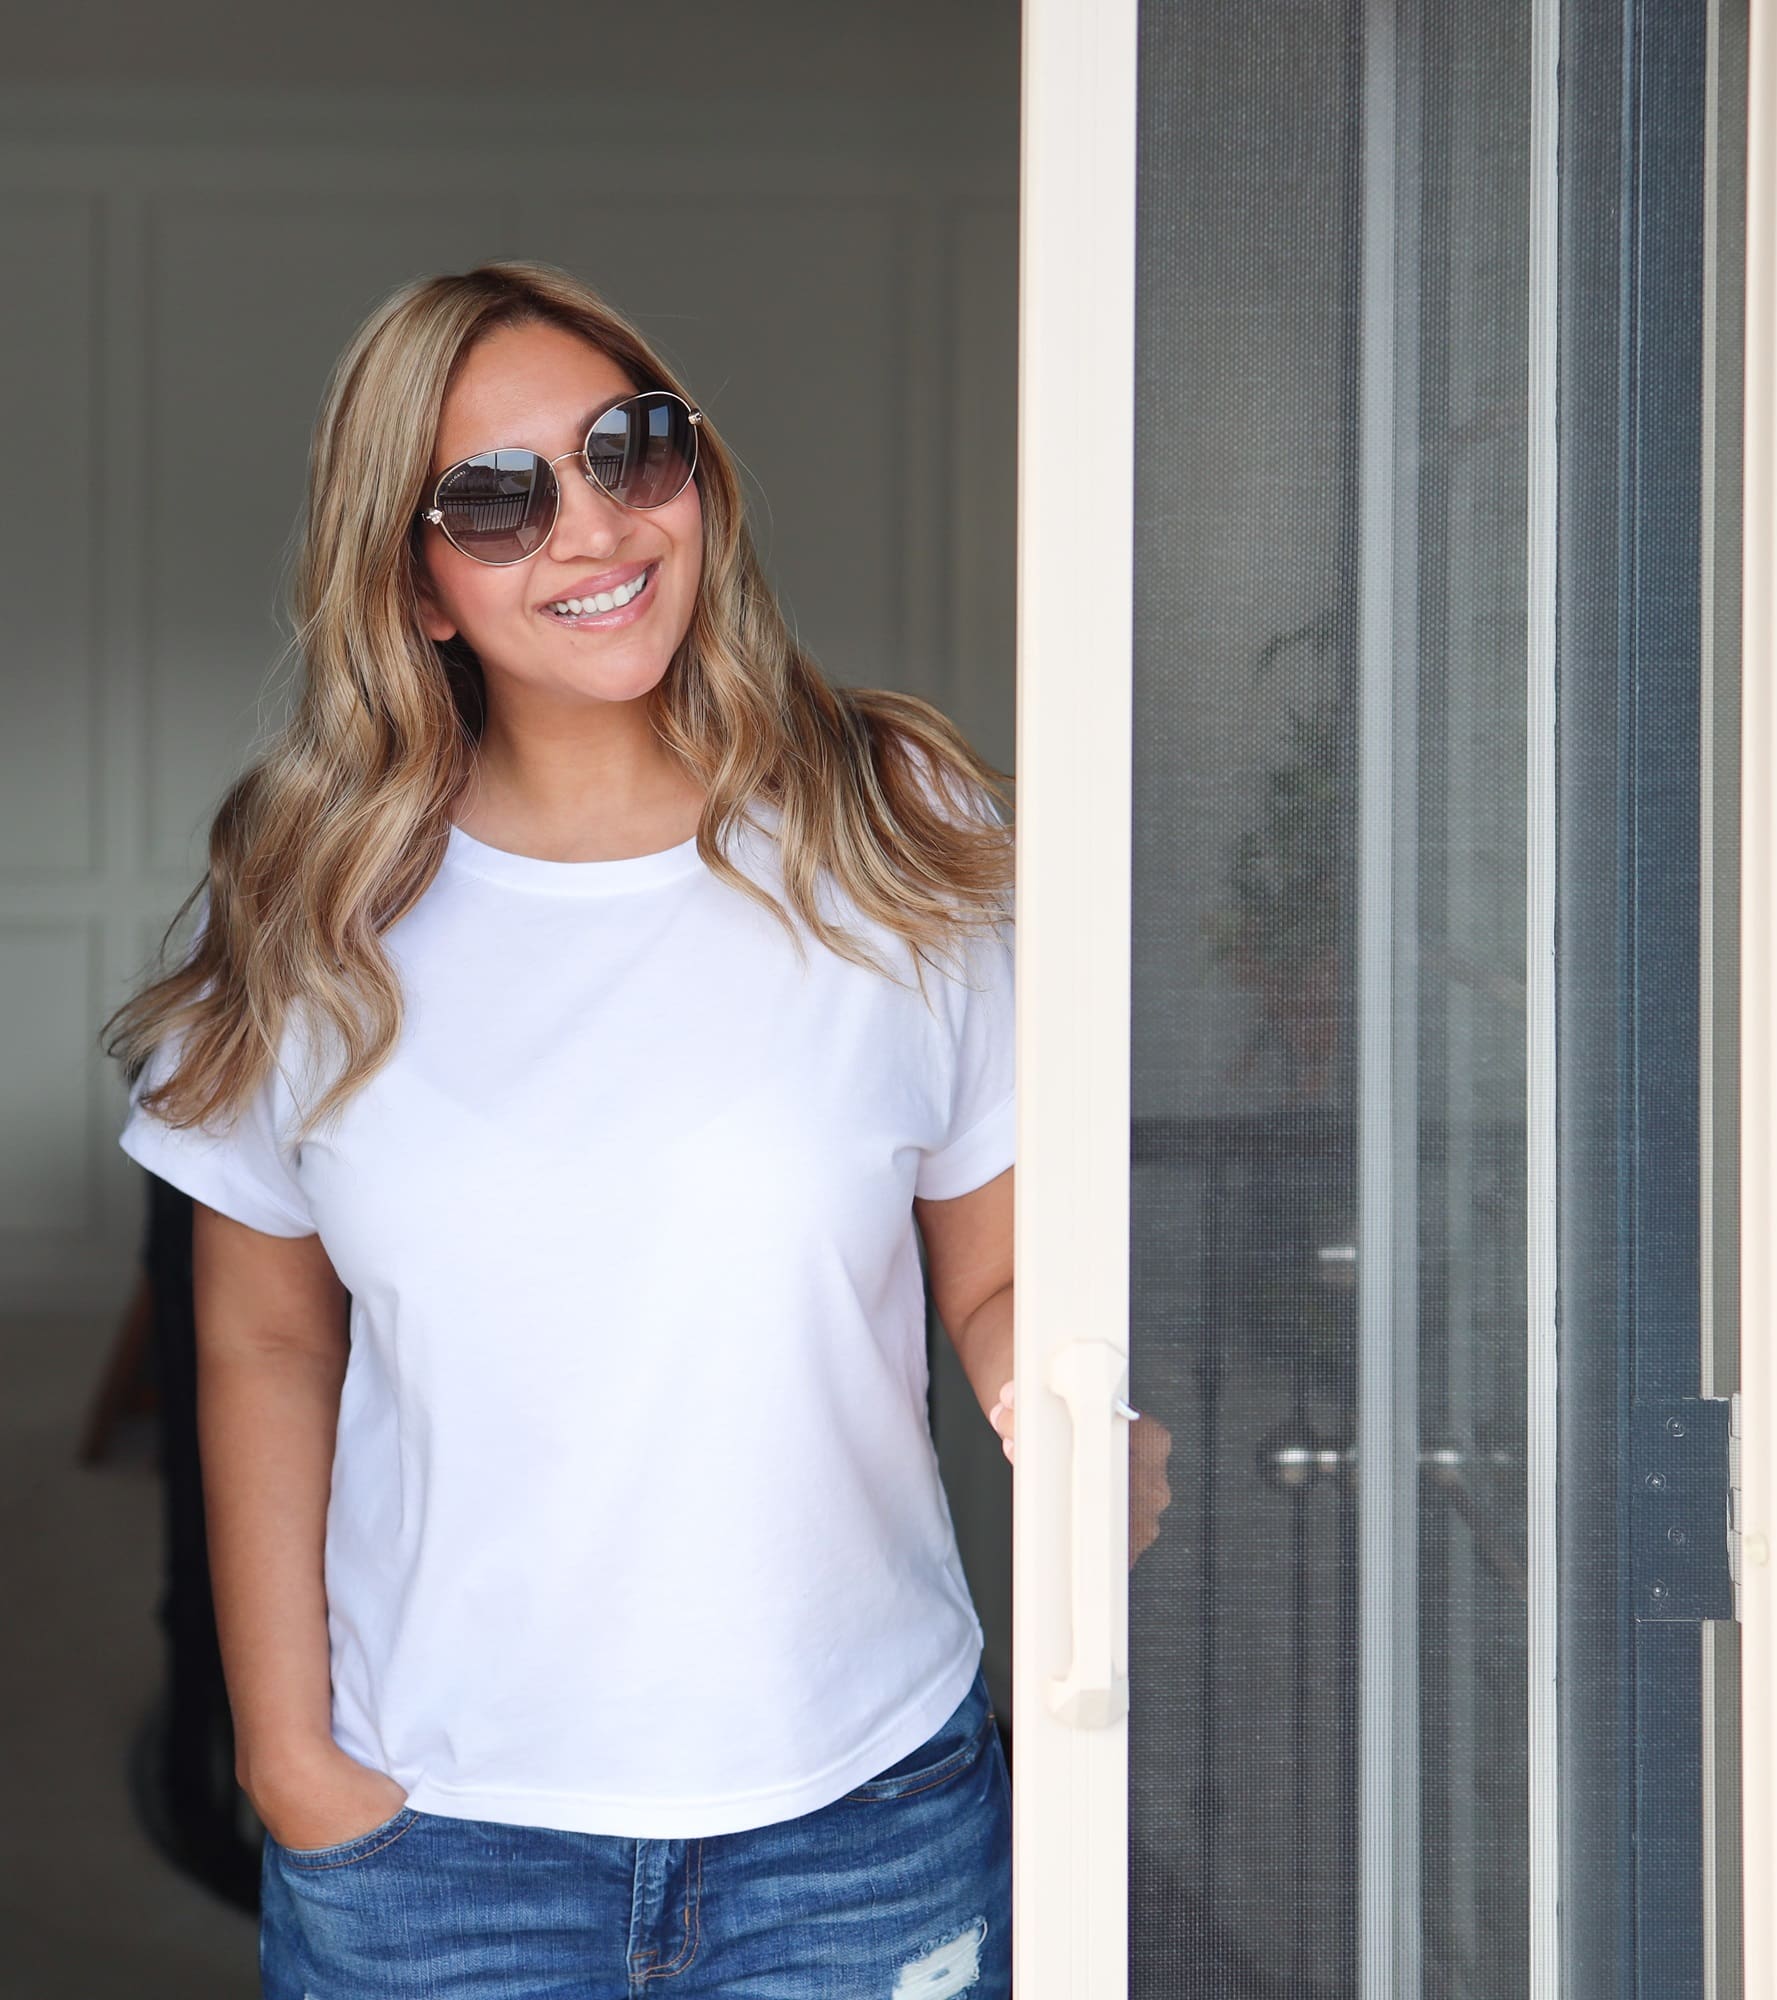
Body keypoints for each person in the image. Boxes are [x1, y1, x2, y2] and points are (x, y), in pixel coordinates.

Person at [101, 258, 1100, 1999]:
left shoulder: (893, 825)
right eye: (497, 500)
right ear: (412, 585)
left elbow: (997, 1274)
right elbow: (265, 1342)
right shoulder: (305, 899)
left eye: (630, 449)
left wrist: (1070, 1409)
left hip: (856, 1825)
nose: (594, 526)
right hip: (435, 1843)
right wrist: (289, 1757)